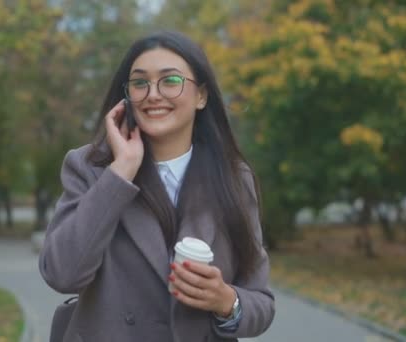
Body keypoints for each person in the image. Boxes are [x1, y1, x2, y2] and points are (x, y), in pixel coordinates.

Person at [39, 30, 275, 342]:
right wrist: (120, 171)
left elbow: (261, 301)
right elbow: (62, 273)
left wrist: (226, 301)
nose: (153, 93)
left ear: (201, 95)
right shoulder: (90, 168)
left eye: (171, 81)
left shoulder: (232, 177)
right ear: (127, 97)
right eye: (139, 82)